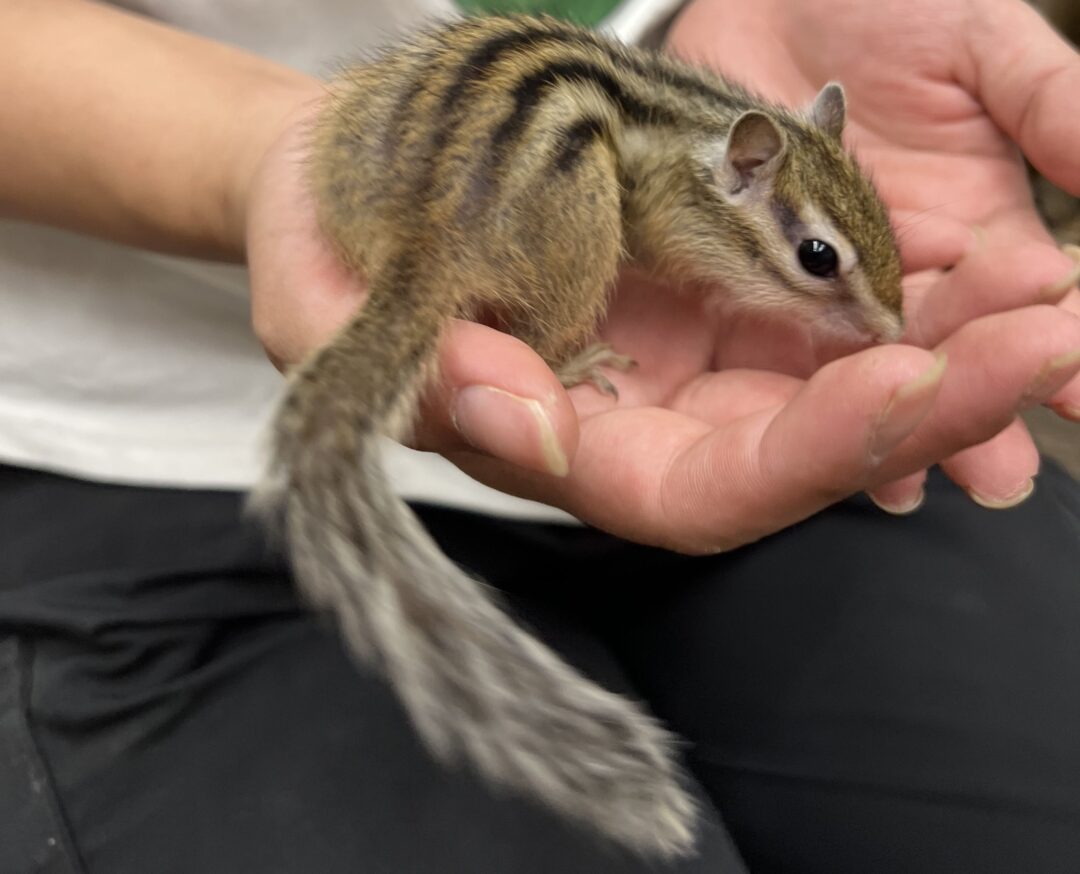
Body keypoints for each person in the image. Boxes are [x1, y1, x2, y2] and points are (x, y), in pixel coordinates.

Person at [1, 0, 1078, 871]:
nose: (852, 321)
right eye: (818, 273)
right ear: (743, 166)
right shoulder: (664, 176)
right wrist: (254, 160)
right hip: (139, 450)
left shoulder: (717, 155)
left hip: (543, 123)